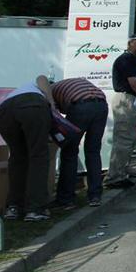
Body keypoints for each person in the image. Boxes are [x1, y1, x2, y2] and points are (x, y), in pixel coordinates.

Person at [0, 76, 55, 221]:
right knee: (38, 156)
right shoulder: (42, 86)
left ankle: (14, 207)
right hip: (31, 106)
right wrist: (52, 104)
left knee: (18, 157)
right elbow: (42, 78)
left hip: (4, 112)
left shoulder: (19, 90)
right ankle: (35, 209)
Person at [48, 76, 109, 209]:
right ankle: (95, 196)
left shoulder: (50, 91)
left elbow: (55, 116)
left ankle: (66, 199)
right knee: (93, 151)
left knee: (69, 152)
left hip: (80, 105)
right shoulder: (69, 84)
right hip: (101, 105)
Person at [105, 34, 136, 189]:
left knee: (128, 138)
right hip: (125, 100)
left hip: (129, 100)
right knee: (124, 138)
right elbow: (133, 82)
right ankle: (115, 177)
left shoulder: (132, 60)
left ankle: (123, 170)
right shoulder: (126, 59)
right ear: (129, 43)